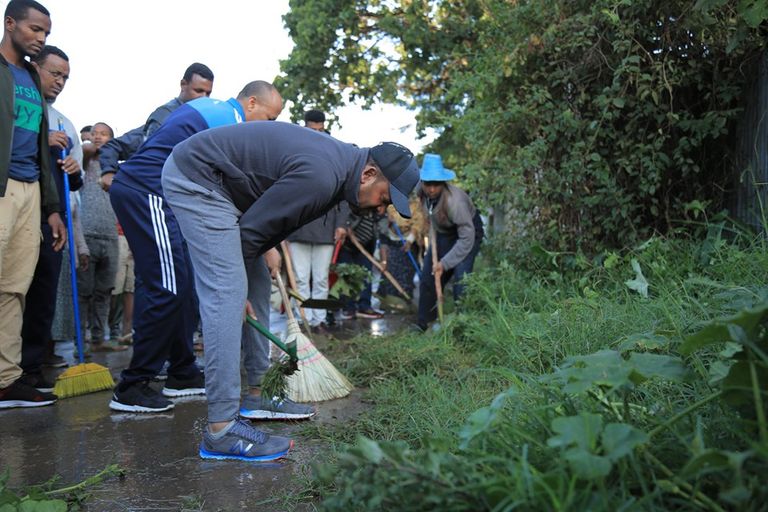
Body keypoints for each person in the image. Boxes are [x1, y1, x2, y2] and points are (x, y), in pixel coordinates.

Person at [161, 121, 420, 461]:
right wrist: (232, 296)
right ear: (369, 173)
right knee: (227, 295)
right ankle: (221, 430)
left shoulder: (337, 175)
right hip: (200, 180)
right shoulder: (324, 175)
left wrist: (269, 247)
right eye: (385, 198)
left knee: (256, 281)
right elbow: (246, 236)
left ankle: (257, 394)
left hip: (232, 194)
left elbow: (266, 222)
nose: (381, 208)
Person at [108, 81, 284, 414]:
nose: (270, 128)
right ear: (251, 103)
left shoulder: (215, 111)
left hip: (168, 200)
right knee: (169, 289)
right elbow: (237, 195)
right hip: (149, 193)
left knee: (186, 287)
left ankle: (182, 372)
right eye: (270, 118)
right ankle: (133, 385)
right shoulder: (228, 122)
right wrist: (266, 247)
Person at [0, 0, 65, 409]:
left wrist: (52, 208)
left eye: (46, 33)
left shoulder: (29, 77)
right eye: (35, 29)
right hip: (2, 186)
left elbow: (42, 150)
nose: (41, 38)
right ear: (10, 24)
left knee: (13, 289)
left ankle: (6, 380)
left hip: (30, 191)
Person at [20, 45, 83, 390]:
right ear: (35, 68)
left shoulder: (66, 123)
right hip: (16, 202)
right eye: (54, 73)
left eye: (65, 77)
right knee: (13, 288)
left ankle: (31, 366)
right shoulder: (16, 107)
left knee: (44, 290)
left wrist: (74, 171)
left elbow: (73, 181)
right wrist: (42, 140)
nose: (60, 82)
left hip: (51, 212)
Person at [98, 62, 214, 191]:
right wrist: (108, 172)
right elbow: (117, 146)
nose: (204, 98)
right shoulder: (165, 116)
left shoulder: (205, 120)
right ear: (183, 84)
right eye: (198, 91)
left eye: (208, 93)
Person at [285, 110, 348, 333]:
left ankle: (317, 320)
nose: (317, 134)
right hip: (299, 228)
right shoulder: (295, 150)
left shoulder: (335, 151)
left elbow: (345, 192)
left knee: (321, 279)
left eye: (321, 130)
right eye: (313, 130)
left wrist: (341, 224)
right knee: (300, 278)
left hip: (326, 229)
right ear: (306, 127)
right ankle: (302, 319)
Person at [416, 154, 483, 332]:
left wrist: (444, 263)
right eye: (427, 183)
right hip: (442, 232)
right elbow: (429, 216)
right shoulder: (421, 192)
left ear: (443, 182)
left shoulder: (455, 202)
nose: (431, 189)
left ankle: (462, 327)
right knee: (428, 276)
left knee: (461, 278)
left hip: (468, 233)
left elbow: (466, 238)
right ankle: (424, 324)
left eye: (435, 184)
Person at [78, 122, 124, 351]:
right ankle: (82, 340)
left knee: (104, 291)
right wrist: (92, 145)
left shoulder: (115, 168)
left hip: (110, 236)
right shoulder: (85, 161)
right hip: (87, 233)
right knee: (84, 292)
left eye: (103, 134)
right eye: (95, 133)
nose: (97, 137)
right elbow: (85, 148)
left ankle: (99, 339)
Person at [377, 198, 426, 301]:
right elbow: (382, 226)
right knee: (391, 273)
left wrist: (410, 240)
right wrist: (389, 220)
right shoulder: (390, 203)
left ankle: (404, 299)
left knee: (406, 275)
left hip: (409, 243)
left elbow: (418, 222)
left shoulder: (415, 204)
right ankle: (389, 301)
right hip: (392, 240)